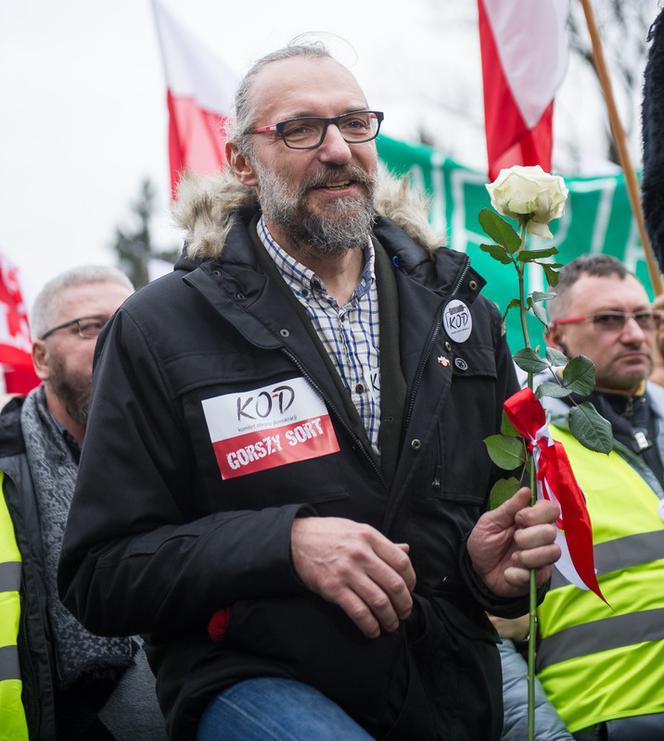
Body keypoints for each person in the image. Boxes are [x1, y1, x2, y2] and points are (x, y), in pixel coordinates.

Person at [57, 45, 560, 741]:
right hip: (256, 678)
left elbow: (482, 538)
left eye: (355, 124)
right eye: (299, 129)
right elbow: (99, 573)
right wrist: (284, 543)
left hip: (447, 682)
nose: (336, 149)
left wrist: (487, 571)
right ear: (241, 162)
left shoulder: (461, 309)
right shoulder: (158, 327)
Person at [499, 254, 664, 740]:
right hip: (605, 722)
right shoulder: (524, 443)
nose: (635, 334)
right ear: (554, 338)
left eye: (645, 317)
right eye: (609, 320)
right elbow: (487, 629)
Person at [0, 265, 166, 740]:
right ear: (40, 356)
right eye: (92, 328)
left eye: (131, 323)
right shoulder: (7, 468)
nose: (118, 342)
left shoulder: (187, 447)